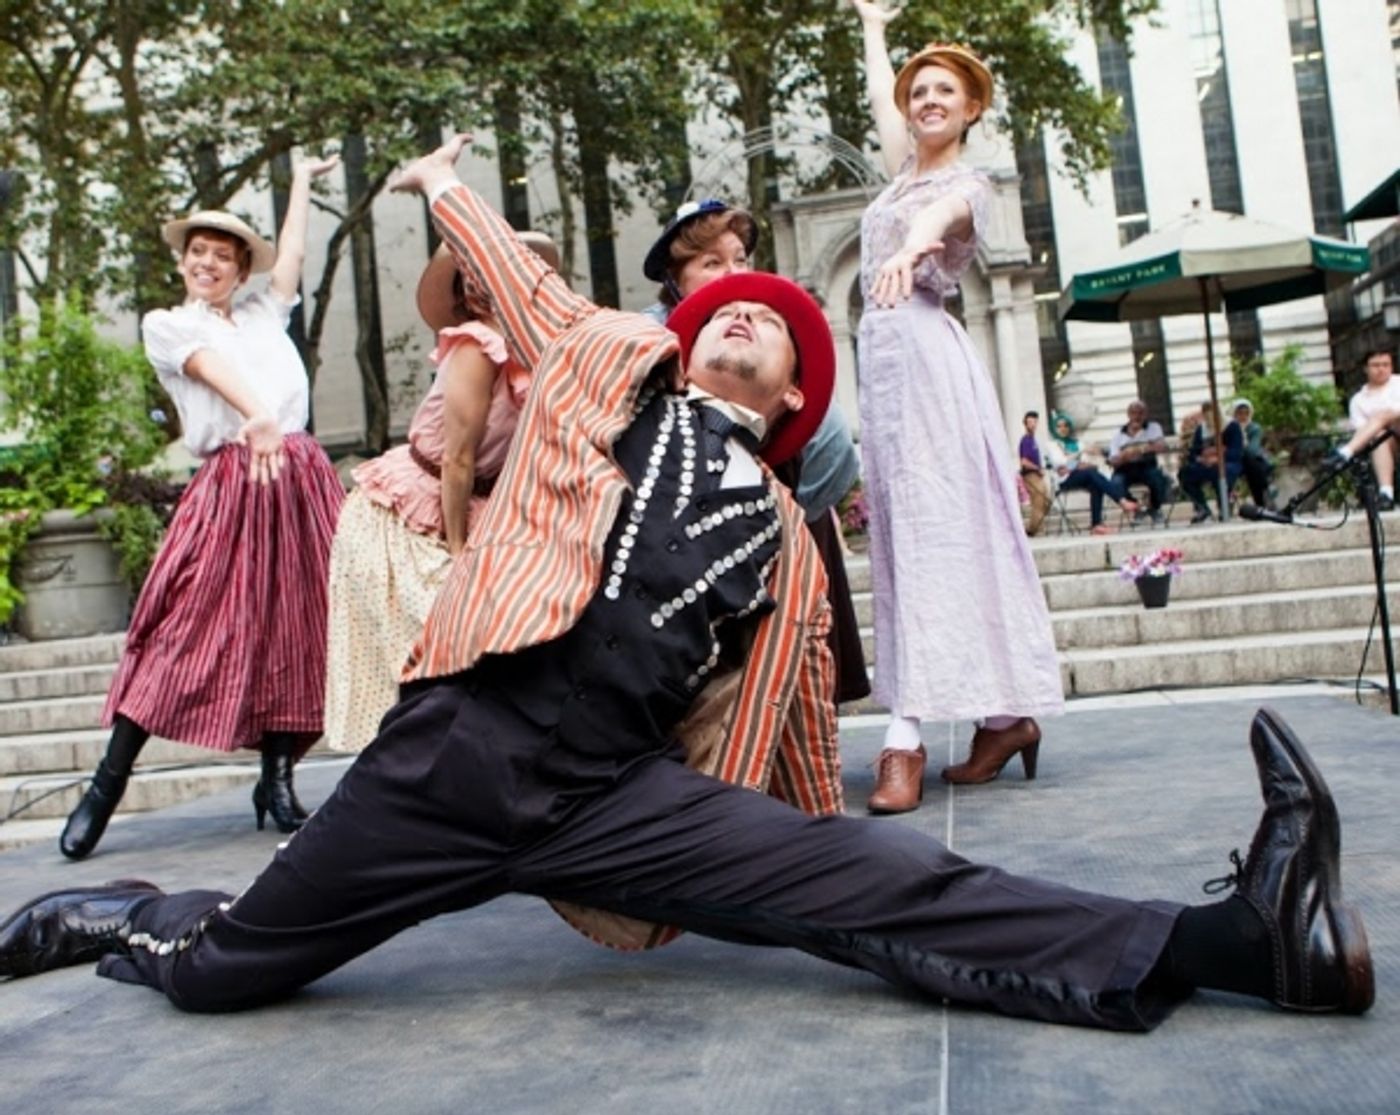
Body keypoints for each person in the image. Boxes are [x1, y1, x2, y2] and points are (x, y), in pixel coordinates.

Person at [0, 137, 1375, 1034]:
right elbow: (520, 298)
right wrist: (445, 186)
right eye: (725, 315)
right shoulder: (611, 370)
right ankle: (111, 912)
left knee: (874, 884)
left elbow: (774, 711)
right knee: (231, 968)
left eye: (769, 330)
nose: (739, 324)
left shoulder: (783, 535)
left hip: (614, 791)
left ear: (789, 394)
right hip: (462, 742)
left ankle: (1241, 940)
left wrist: (806, 836)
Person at [57, 157, 346, 859]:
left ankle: (276, 780)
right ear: (184, 262)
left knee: (299, 627)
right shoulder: (169, 324)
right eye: (199, 254)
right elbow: (207, 371)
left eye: (223, 256)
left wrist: (303, 179)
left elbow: (296, 254)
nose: (209, 264)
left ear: (240, 271)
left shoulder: (260, 313)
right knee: (179, 628)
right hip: (231, 483)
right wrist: (257, 415)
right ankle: (107, 781)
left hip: (300, 480)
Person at [848, 1, 1062, 813]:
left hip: (931, 364)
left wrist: (910, 245)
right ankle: (1005, 719)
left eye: (944, 92)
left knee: (938, 532)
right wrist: (873, 27)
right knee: (910, 538)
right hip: (889, 372)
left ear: (971, 108)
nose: (926, 100)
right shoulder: (900, 166)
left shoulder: (964, 185)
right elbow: (880, 101)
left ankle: (904, 736)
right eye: (918, 92)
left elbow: (944, 218)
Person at [322, 233, 558, 752]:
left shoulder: (537, 354)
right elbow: (457, 459)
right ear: (465, 292)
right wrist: (457, 550)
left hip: (478, 504)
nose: (484, 284)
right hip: (407, 509)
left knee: (501, 644)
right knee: (434, 647)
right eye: (471, 276)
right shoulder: (477, 344)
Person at [642, 197, 870, 705]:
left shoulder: (771, 332)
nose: (732, 273)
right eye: (711, 262)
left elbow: (836, 449)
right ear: (676, 279)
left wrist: (782, 514)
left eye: (740, 257)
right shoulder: (647, 335)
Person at [1045, 413, 1139, 535]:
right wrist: (1078, 458)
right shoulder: (1053, 445)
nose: (1063, 429)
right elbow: (1060, 463)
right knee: (1091, 474)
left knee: (1095, 481)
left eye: (1065, 426)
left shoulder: (1076, 443)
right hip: (1064, 480)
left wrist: (1074, 463)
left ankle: (1096, 524)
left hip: (1080, 475)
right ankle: (1122, 501)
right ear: (1054, 428)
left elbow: (1084, 462)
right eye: (1059, 426)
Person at [1343, 350, 1400, 511]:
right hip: (1390, 444)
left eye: (1386, 365)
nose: (1381, 369)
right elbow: (1362, 433)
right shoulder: (1359, 400)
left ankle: (1345, 452)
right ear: (1365, 369)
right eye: (1375, 365)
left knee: (1385, 416)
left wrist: (1385, 418)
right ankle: (1386, 493)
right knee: (1378, 435)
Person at [1107, 399, 1172, 524]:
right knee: (1115, 484)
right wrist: (1125, 456)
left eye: (1140, 413)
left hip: (1146, 466)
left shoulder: (1153, 428)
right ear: (1129, 415)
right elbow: (1113, 459)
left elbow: (1161, 446)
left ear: (1145, 414)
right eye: (1134, 413)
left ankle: (1154, 508)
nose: (1137, 416)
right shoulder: (1118, 434)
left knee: (1159, 479)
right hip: (1124, 469)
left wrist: (1140, 449)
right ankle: (1135, 509)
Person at [1179, 401, 1243, 524]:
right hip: (1205, 463)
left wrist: (1218, 458)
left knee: (1223, 473)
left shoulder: (1232, 426)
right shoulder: (1201, 429)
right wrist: (1201, 459)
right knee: (1186, 474)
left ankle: (1224, 506)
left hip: (1228, 463)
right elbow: (1194, 452)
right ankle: (1202, 508)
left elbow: (1236, 451)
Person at [1232, 398, 1274, 509]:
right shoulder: (1230, 428)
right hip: (1235, 461)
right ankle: (1263, 498)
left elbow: (1252, 449)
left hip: (1251, 461)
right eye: (1240, 413)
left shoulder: (1254, 428)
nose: (1243, 416)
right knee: (1254, 467)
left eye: (1246, 413)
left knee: (1252, 465)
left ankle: (1261, 502)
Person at [1018, 410, 1051, 537]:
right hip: (1030, 474)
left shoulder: (1034, 441)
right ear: (1025, 424)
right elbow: (1024, 461)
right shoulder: (1025, 440)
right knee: (1039, 499)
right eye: (1029, 422)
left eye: (1034, 422)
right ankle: (1032, 529)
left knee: (1044, 499)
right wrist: (1037, 468)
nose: (1032, 424)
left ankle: (1036, 527)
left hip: (1038, 474)